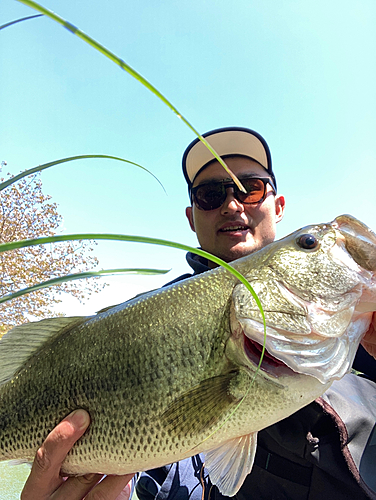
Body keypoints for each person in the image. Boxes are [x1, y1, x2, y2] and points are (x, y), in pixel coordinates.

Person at [21, 127, 376, 500]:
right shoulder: (146, 317)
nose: (232, 204)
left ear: (279, 205)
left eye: (251, 188)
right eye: (210, 194)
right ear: (191, 217)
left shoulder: (352, 332)